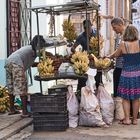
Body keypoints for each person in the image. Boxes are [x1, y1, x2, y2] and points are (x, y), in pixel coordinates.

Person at [5, 35, 46, 117]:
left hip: (8, 62)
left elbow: (30, 63)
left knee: (11, 87)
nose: (41, 48)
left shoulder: (28, 49)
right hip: (17, 64)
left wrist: (39, 64)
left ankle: (12, 109)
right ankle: (25, 112)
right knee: (22, 87)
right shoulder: (32, 50)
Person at [108, 25, 140, 125]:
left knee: (125, 97)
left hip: (126, 74)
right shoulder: (139, 43)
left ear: (126, 33)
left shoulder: (123, 44)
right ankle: (135, 120)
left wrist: (109, 56)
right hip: (137, 74)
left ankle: (127, 119)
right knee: (136, 97)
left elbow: (116, 55)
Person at [71, 19, 102, 90]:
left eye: (89, 27)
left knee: (98, 78)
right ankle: (81, 93)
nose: (87, 29)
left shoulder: (96, 34)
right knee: (83, 79)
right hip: (85, 60)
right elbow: (73, 48)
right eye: (85, 28)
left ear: (91, 26)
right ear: (84, 28)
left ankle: (98, 92)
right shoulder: (81, 36)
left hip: (95, 59)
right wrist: (76, 54)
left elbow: (100, 45)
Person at [111, 17, 125, 97]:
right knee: (117, 91)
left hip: (123, 68)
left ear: (120, 25)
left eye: (114, 27)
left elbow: (118, 53)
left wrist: (109, 57)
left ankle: (121, 108)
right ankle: (118, 106)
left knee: (121, 92)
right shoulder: (119, 36)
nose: (113, 29)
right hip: (118, 66)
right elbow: (117, 51)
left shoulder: (126, 36)